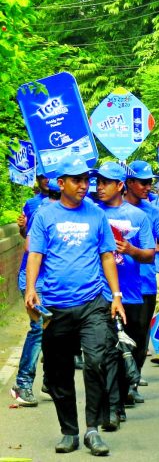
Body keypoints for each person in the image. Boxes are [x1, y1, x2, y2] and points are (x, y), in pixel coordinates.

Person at [23, 155, 127, 456]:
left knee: (96, 362)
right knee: (59, 372)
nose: (85, 185)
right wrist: (31, 288)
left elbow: (108, 255)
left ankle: (92, 429)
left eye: (86, 180)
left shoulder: (96, 215)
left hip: (93, 303)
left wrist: (116, 296)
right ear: (61, 183)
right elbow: (35, 255)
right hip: (55, 306)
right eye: (77, 180)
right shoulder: (45, 216)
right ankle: (69, 430)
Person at [95, 162, 156, 428]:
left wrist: (130, 249)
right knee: (102, 353)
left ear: (120, 185)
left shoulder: (138, 217)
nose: (99, 187)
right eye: (98, 182)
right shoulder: (92, 214)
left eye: (105, 182)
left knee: (124, 353)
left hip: (130, 294)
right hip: (99, 294)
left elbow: (150, 255)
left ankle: (118, 403)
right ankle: (108, 406)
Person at [122, 161, 159, 372]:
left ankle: (133, 379)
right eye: (143, 183)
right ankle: (120, 384)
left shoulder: (153, 212)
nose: (147, 187)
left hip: (145, 285)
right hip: (117, 285)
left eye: (149, 182)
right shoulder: (111, 209)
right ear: (129, 183)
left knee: (140, 336)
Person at [10, 172, 51, 407]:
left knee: (55, 331)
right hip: (34, 278)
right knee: (38, 329)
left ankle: (51, 381)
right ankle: (22, 384)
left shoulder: (81, 209)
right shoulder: (36, 207)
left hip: (57, 281)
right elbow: (29, 243)